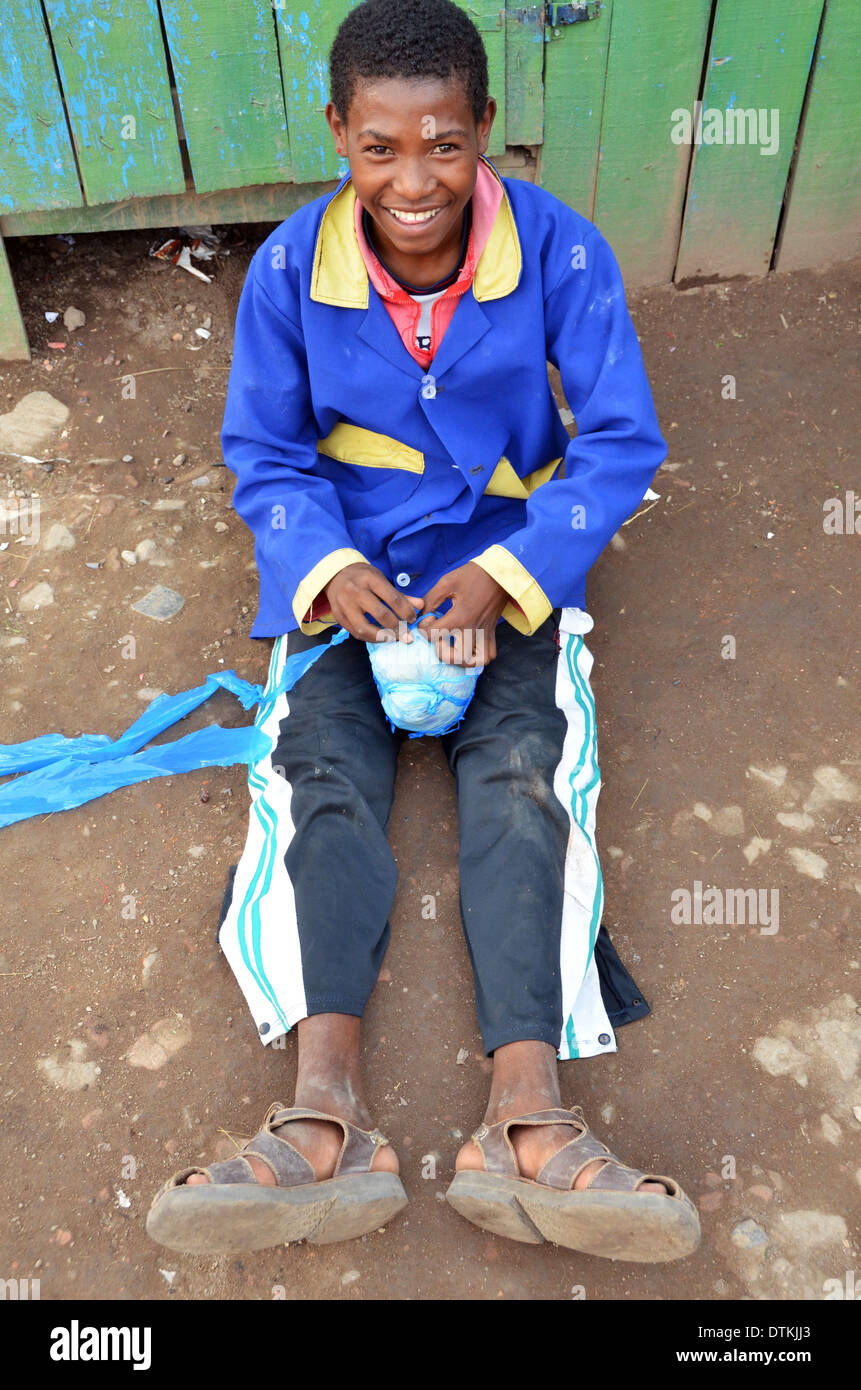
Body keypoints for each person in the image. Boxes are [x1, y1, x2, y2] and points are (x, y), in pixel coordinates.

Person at [146, 0, 700, 1263]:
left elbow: (619, 444)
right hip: (351, 584)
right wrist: (327, 569)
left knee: (525, 783)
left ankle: (529, 1124)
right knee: (311, 779)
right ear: (339, 134)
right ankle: (320, 1118)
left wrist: (512, 574)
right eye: (381, 146)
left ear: (487, 135)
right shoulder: (289, 268)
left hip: (498, 571)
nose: (415, 180)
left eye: (444, 145)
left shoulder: (561, 253)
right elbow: (267, 455)